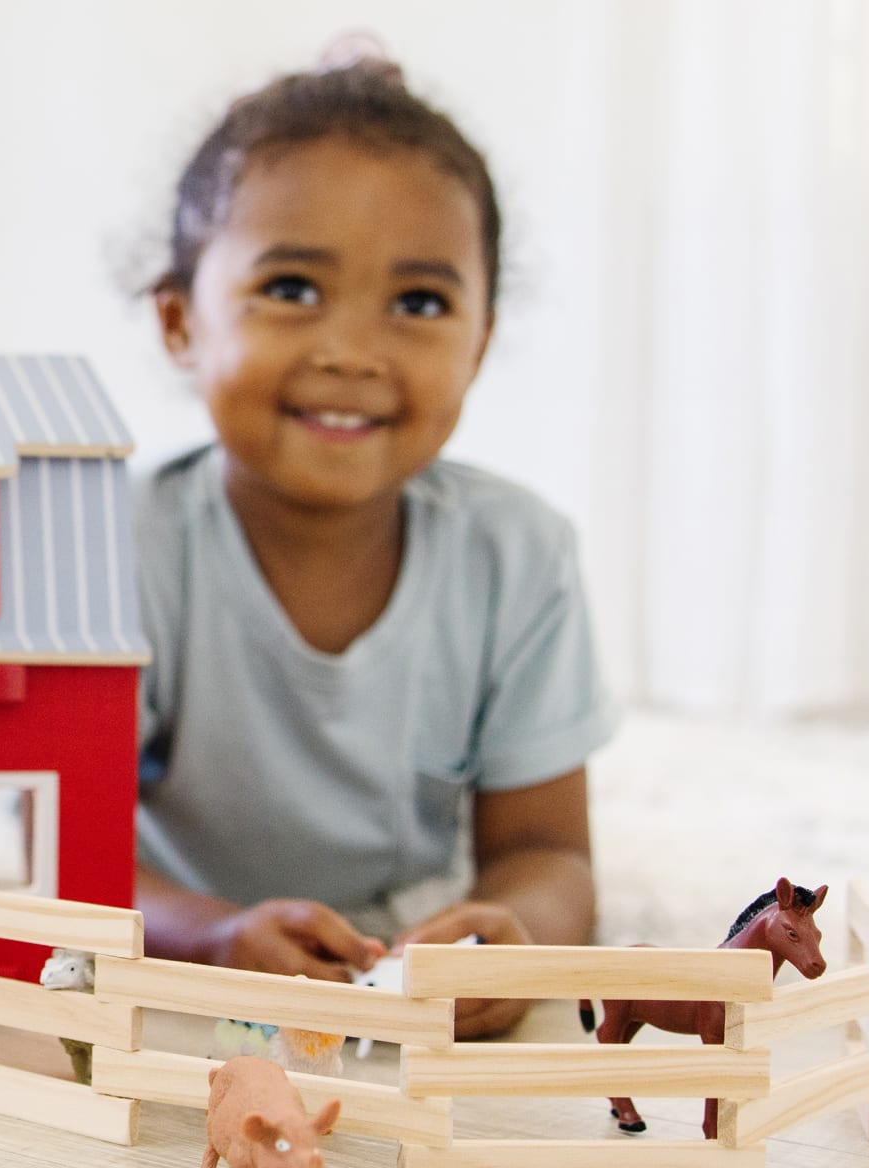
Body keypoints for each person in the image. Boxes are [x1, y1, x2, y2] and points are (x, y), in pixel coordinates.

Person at [132, 53, 618, 1038]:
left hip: (401, 937)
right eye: (294, 287)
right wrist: (210, 935)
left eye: (420, 304)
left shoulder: (518, 556)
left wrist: (510, 937)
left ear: (480, 340)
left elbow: (549, 852)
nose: (351, 350)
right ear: (182, 322)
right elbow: (61, 849)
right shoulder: (121, 545)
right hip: (178, 940)